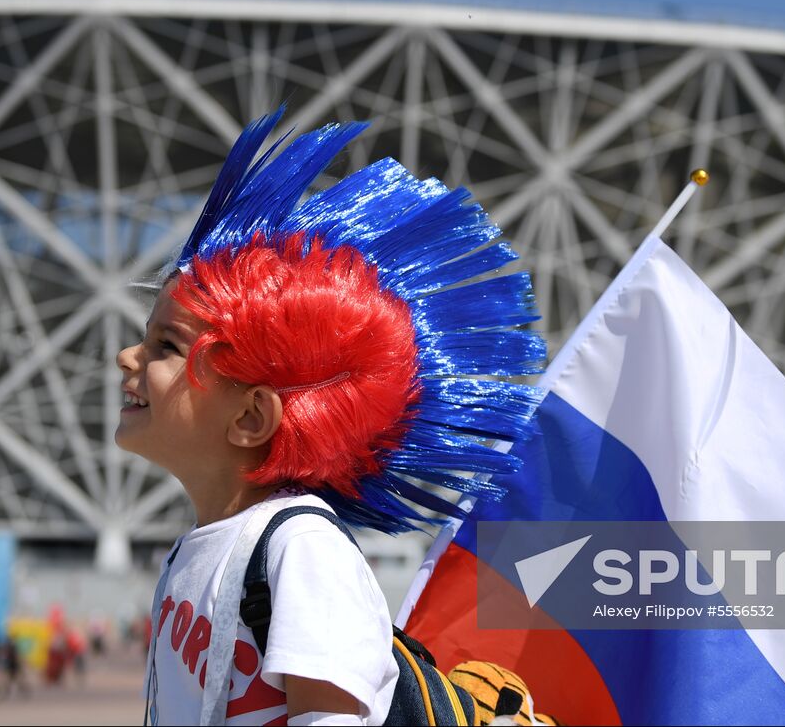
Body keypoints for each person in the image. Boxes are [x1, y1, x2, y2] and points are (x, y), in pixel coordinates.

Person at [118, 108, 542, 726]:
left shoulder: (302, 548)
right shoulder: (195, 551)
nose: (127, 355)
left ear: (252, 416)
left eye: (166, 346)